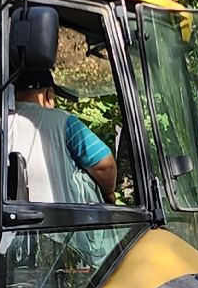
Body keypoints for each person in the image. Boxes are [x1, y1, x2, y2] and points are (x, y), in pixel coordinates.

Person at [7, 67, 117, 204]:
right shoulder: (63, 121)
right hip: (60, 219)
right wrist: (108, 194)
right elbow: (105, 166)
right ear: (49, 95)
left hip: (8, 219)